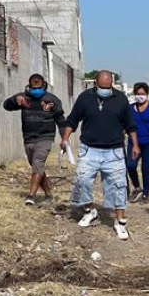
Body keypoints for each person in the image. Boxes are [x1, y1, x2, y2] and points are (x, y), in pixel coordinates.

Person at [60, 71, 139, 239]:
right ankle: (89, 210)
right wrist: (65, 139)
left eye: (108, 87)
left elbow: (130, 124)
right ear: (95, 83)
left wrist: (135, 145)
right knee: (82, 181)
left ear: (112, 84)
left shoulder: (121, 99)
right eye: (102, 87)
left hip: (114, 151)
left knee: (118, 186)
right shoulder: (84, 98)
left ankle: (120, 222)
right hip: (90, 149)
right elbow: (72, 120)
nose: (105, 90)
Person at [3, 73, 65, 205]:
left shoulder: (52, 100)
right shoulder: (23, 98)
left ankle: (31, 196)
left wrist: (64, 138)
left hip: (45, 137)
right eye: (34, 86)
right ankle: (48, 195)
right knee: (37, 167)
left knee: (37, 164)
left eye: (39, 86)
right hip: (28, 138)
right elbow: (6, 106)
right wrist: (14, 100)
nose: (36, 90)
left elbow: (60, 119)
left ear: (44, 85)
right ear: (29, 85)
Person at [126, 82, 149, 203]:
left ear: (147, 94)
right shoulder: (130, 108)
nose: (140, 96)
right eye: (137, 94)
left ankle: (145, 194)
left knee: (146, 168)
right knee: (130, 165)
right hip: (134, 142)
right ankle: (137, 187)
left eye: (142, 94)